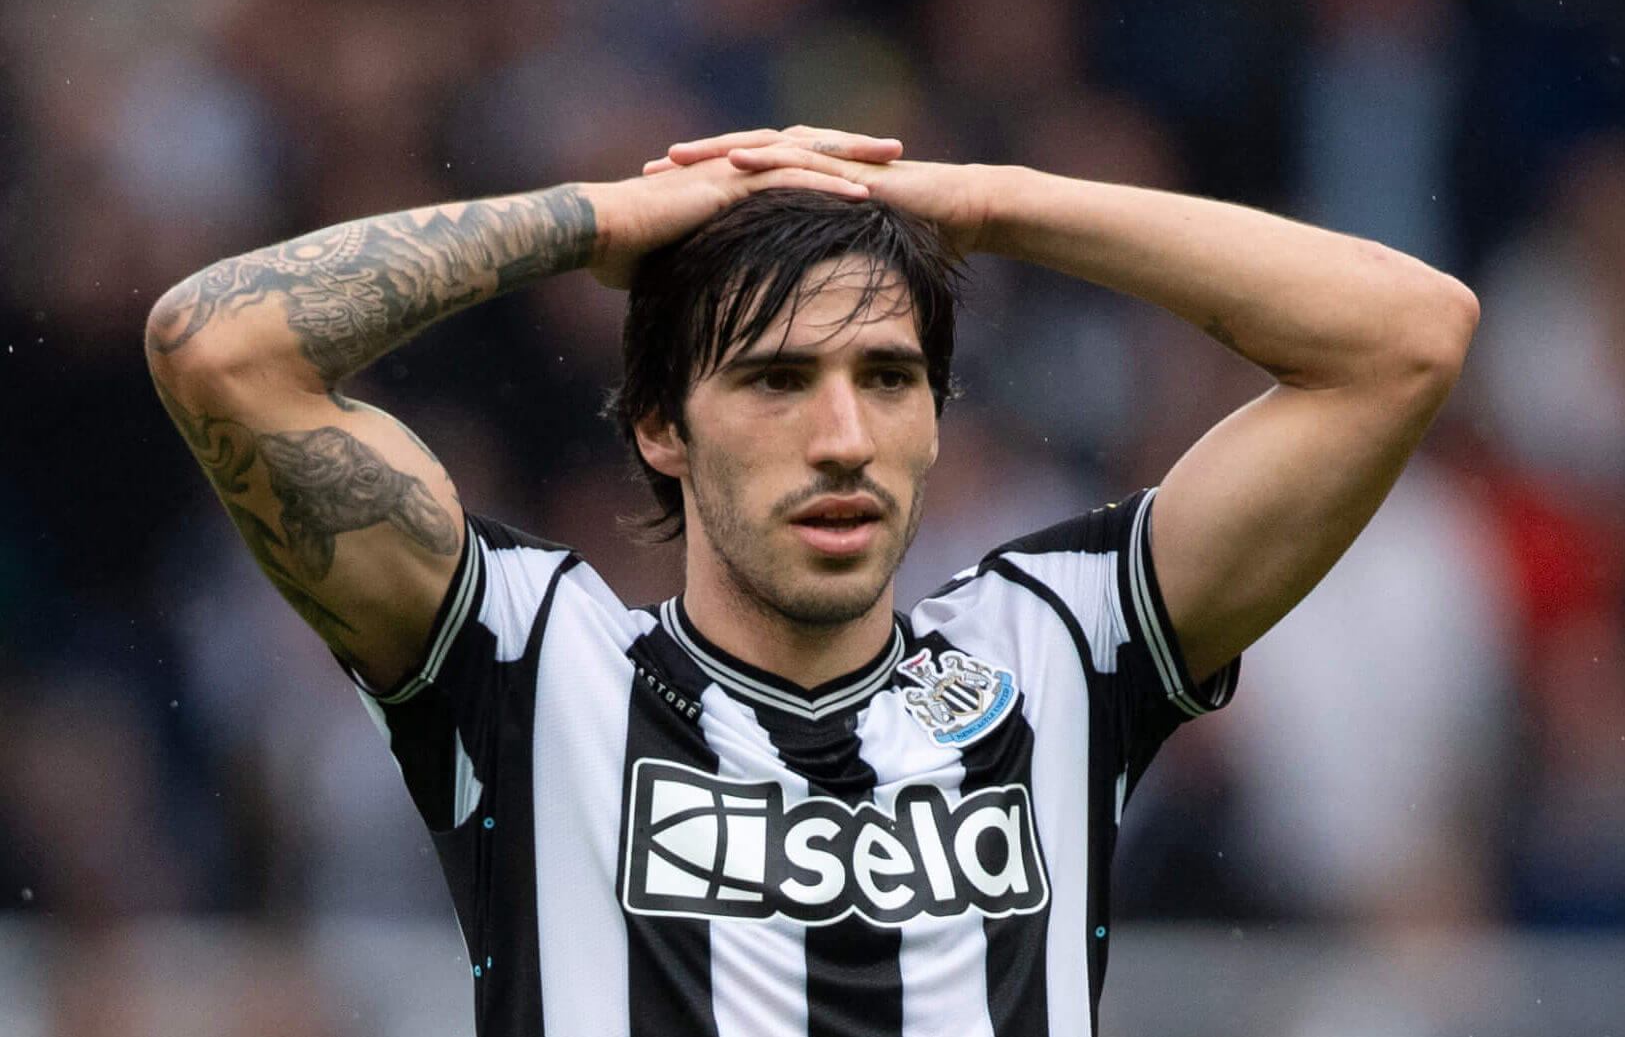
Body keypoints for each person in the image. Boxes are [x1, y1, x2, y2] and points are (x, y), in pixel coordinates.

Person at [145, 125, 1478, 1036]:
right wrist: (602, 219)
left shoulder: (1057, 646)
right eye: (777, 379)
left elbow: (1409, 336)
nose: (843, 436)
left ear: (937, 416)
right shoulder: (530, 662)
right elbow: (217, 346)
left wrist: (989, 205)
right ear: (659, 425)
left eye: (887, 378)